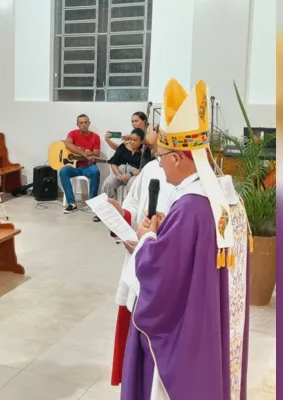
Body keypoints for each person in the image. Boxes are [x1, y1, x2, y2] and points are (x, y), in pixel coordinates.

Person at [119, 79, 249, 400]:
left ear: (178, 157)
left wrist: (148, 238)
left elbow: (160, 276)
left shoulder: (190, 206)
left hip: (190, 332)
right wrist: (165, 232)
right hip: (214, 322)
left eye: (162, 156)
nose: (159, 165)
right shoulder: (227, 198)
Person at [105, 125, 174, 386]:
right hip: (137, 260)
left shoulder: (196, 181)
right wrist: (122, 216)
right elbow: (135, 204)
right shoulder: (152, 168)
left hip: (162, 269)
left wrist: (149, 239)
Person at [60, 114, 101, 215]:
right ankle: (72, 203)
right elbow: (67, 144)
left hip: (88, 166)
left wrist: (90, 153)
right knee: (63, 171)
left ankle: (92, 203)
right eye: (81, 123)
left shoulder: (95, 137)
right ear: (77, 124)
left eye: (85, 122)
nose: (83, 125)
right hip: (74, 167)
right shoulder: (73, 134)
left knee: (95, 171)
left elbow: (96, 153)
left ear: (89, 123)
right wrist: (82, 153)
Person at [100, 128, 144, 201]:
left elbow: (143, 168)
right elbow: (114, 163)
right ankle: (111, 205)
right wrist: (118, 174)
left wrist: (130, 174)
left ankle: (127, 208)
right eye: (130, 139)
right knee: (108, 183)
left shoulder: (145, 151)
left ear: (141, 141)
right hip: (120, 172)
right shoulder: (123, 146)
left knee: (132, 184)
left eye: (135, 140)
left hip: (135, 174)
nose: (132, 142)